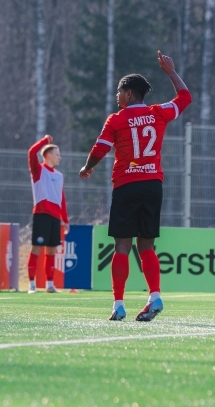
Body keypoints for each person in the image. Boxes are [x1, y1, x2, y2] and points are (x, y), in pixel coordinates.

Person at [79, 51, 191, 321]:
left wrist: (88, 166)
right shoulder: (158, 113)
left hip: (127, 184)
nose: (118, 97)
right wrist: (171, 72)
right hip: (153, 184)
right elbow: (185, 98)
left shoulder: (116, 120)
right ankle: (155, 296)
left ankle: (118, 304)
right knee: (147, 246)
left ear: (129, 93)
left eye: (120, 92)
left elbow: (100, 148)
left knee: (121, 246)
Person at [27, 135, 70, 294]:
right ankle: (31, 285)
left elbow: (62, 198)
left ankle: (49, 284)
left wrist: (65, 219)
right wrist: (45, 141)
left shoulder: (59, 176)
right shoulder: (39, 170)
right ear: (48, 155)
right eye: (57, 153)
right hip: (41, 215)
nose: (60, 157)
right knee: (36, 248)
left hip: (55, 218)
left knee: (51, 251)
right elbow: (32, 152)